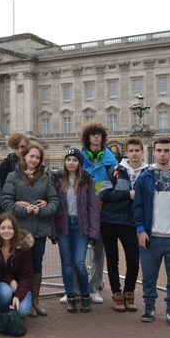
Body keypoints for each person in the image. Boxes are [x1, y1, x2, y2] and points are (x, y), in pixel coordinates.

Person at [133, 136, 170, 328]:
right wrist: (141, 230)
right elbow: (138, 207)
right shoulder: (144, 178)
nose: (162, 154)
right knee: (149, 275)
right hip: (152, 237)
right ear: (154, 152)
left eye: (166, 150)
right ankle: (149, 306)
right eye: (159, 150)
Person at [1, 141, 58, 317]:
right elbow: (6, 202)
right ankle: (20, 297)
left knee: (37, 264)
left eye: (37, 157)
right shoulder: (13, 176)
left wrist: (41, 210)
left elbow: (55, 202)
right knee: (19, 264)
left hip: (39, 229)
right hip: (20, 230)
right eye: (31, 156)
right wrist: (23, 210)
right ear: (24, 156)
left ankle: (35, 301)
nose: (34, 160)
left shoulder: (45, 177)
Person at [99, 137, 148, 312]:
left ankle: (129, 292)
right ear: (126, 152)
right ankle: (116, 293)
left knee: (133, 261)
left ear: (142, 151)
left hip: (132, 222)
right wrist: (128, 194)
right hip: (110, 220)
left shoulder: (148, 173)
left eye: (137, 150)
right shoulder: (115, 170)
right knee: (112, 260)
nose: (134, 154)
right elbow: (104, 194)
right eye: (131, 151)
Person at [50, 149, 100, 313]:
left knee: (79, 263)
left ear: (79, 162)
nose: (71, 162)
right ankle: (71, 296)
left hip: (80, 225)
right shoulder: (57, 179)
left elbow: (93, 207)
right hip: (63, 225)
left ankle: (85, 295)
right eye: (68, 159)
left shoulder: (86, 180)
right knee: (66, 263)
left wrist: (94, 231)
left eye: (74, 160)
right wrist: (52, 231)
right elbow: (52, 204)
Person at [77, 122, 118, 304]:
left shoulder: (111, 159)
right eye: (92, 134)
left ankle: (94, 287)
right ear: (87, 137)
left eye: (98, 134)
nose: (95, 137)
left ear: (102, 137)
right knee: (76, 252)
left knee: (98, 252)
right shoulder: (78, 157)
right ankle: (77, 288)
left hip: (102, 210)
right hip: (82, 210)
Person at [0, 212, 33, 318]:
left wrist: (18, 296)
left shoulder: (24, 246)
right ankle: (5, 314)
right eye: (3, 228)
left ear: (15, 229)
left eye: (10, 228)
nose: (6, 231)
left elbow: (26, 275)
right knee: (5, 294)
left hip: (21, 284)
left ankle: (14, 311)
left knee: (23, 311)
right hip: (1, 282)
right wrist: (9, 280)